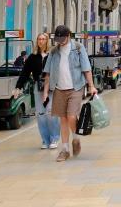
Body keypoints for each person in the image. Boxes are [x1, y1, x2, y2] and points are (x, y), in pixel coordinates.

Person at [42, 25, 96, 162]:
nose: (60, 42)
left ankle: (76, 138)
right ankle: (65, 150)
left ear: (68, 36)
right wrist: (45, 92)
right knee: (63, 119)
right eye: (58, 39)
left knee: (71, 116)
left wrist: (91, 86)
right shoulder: (54, 52)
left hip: (75, 87)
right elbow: (47, 73)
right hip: (59, 89)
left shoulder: (78, 48)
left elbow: (86, 68)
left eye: (62, 39)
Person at [16, 32, 59, 149]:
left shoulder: (53, 55)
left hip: (52, 87)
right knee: (41, 114)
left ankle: (54, 138)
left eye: (43, 39)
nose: (41, 41)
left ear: (47, 41)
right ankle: (45, 140)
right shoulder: (32, 57)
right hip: (38, 86)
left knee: (50, 112)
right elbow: (25, 73)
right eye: (39, 39)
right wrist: (18, 87)